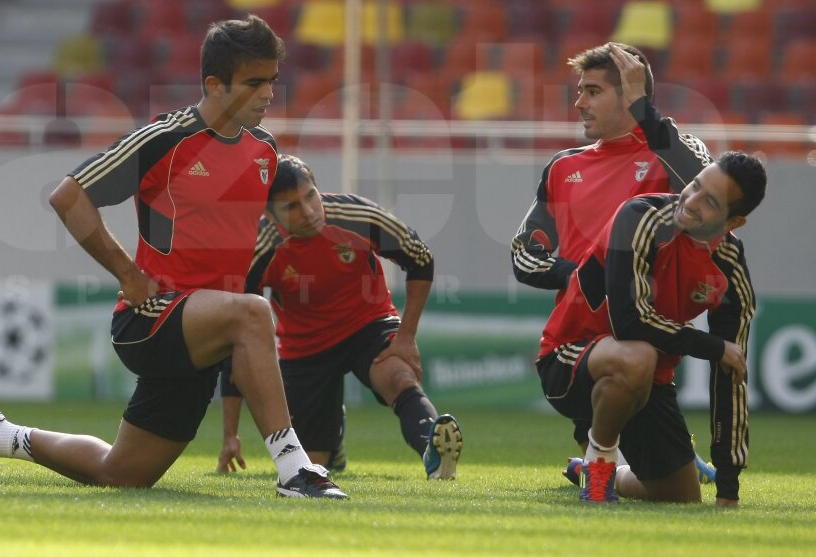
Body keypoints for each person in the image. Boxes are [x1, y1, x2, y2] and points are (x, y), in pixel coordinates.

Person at [0, 16, 346, 499]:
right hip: (152, 317)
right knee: (254, 313)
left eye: (272, 81)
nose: (268, 94)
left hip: (206, 334)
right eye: (254, 83)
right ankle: (296, 470)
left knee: (122, 473)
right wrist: (128, 274)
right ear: (215, 85)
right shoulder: (164, 138)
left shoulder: (265, 151)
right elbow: (69, 197)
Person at [510, 42, 718, 480]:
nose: (579, 103)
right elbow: (523, 254)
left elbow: (713, 200)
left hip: (651, 360)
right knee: (631, 362)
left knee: (679, 496)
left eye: (593, 91)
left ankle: (592, 466)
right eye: (579, 91)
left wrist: (647, 112)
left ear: (631, 97)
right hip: (577, 347)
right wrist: (588, 275)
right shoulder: (563, 167)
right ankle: (600, 458)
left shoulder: (674, 152)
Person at [214, 155, 462, 480]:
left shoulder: (357, 216)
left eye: (310, 196)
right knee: (315, 463)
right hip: (304, 348)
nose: (308, 211)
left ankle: (434, 451)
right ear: (269, 214)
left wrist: (406, 337)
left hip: (368, 325)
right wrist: (230, 435)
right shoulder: (258, 250)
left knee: (398, 376)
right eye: (291, 207)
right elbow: (236, 341)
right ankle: (333, 443)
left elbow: (421, 259)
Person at [538, 151, 765, 504]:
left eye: (709, 202)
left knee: (680, 495)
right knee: (638, 355)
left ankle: (596, 470)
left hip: (647, 378)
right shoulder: (640, 216)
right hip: (568, 357)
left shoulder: (730, 268)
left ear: (733, 222)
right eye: (695, 186)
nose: (691, 200)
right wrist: (713, 346)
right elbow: (629, 321)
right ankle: (598, 473)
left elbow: (731, 374)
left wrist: (728, 486)